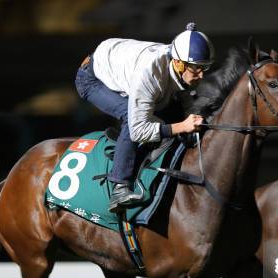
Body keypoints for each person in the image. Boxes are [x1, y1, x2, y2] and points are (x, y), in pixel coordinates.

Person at [75, 23, 213, 212]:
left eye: (205, 68)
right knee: (128, 117)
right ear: (179, 63)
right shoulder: (149, 74)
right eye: (196, 69)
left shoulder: (175, 64)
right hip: (92, 79)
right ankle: (119, 187)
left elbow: (183, 98)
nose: (201, 75)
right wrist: (182, 126)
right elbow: (139, 130)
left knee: (173, 112)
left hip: (119, 63)